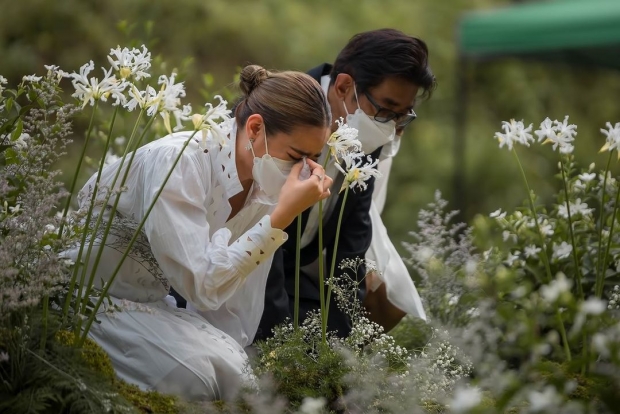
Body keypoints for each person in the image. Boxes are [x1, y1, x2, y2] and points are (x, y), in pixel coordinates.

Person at [67, 65, 333, 401]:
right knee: (199, 377)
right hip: (88, 297)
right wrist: (278, 220)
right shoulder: (179, 161)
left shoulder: (266, 189)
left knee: (238, 379)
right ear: (254, 128)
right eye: (297, 156)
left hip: (149, 304)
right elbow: (202, 284)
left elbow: (235, 309)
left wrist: (236, 365)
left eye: (313, 159)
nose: (306, 171)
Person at [256, 29, 436, 341]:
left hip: (294, 273)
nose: (390, 126)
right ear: (343, 86)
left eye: (402, 116)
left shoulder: (369, 128)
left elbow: (353, 234)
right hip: (244, 267)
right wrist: (280, 337)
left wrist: (341, 335)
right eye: (386, 109)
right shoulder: (283, 109)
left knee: (357, 324)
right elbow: (257, 219)